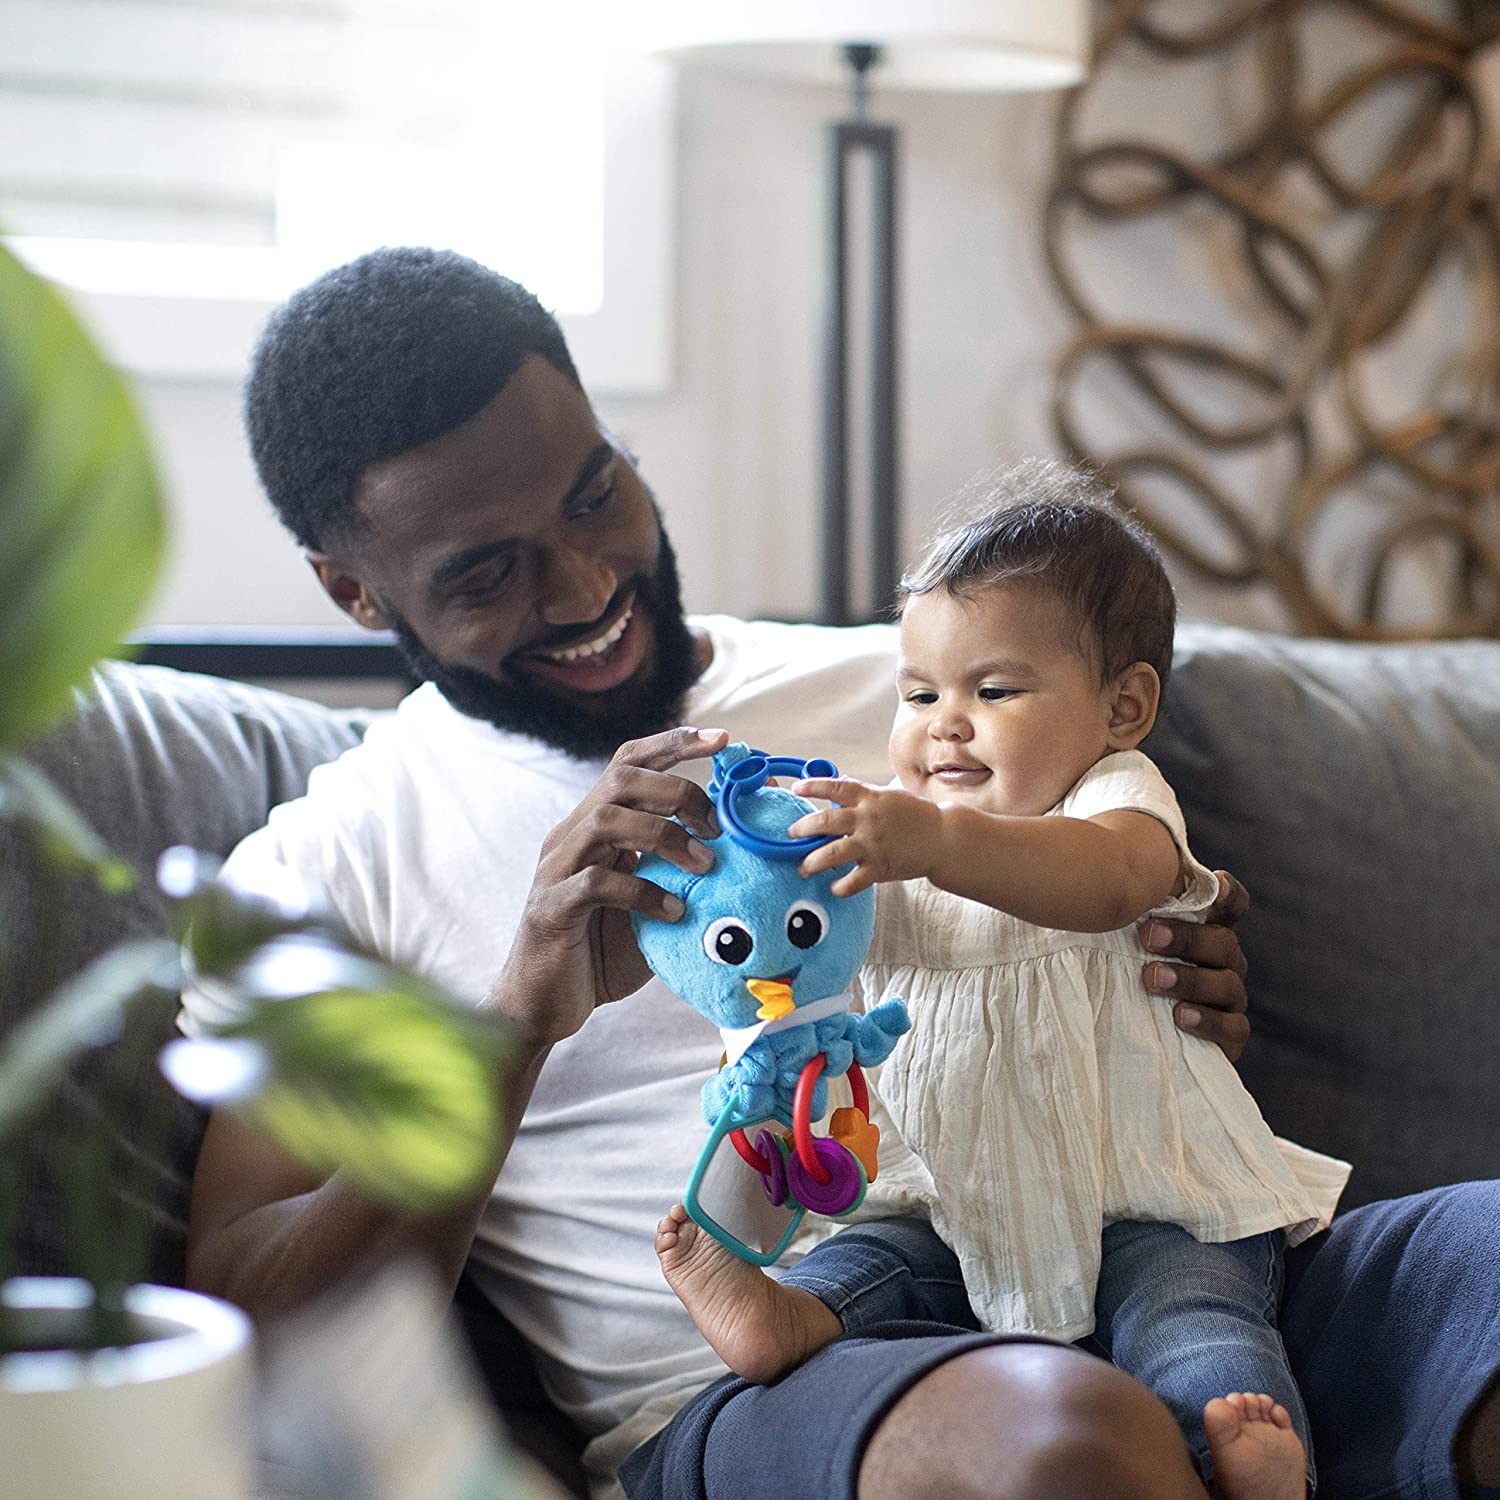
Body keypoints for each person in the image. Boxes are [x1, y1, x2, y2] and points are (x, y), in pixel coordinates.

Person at [182, 246, 1500, 1500]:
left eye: (596, 493)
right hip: (781, 1367)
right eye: (487, 571)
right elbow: (240, 1321)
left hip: (1165, 1259)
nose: (585, 583)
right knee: (1060, 1438)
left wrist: (1177, 936)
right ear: (357, 592)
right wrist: (515, 1016)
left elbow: (1133, 881)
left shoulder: (926, 681)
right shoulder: (322, 873)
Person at [652, 492, 1349, 1500]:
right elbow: (804, 978)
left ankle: (1234, 1450)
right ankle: (787, 1317)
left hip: (1146, 1193)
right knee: (878, 1266)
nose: (947, 728)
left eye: (994, 690)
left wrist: (939, 843)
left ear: (1122, 709)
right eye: (920, 695)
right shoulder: (881, 850)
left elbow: (1109, 881)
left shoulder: (1116, 800)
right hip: (950, 1197)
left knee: (1190, 1318)